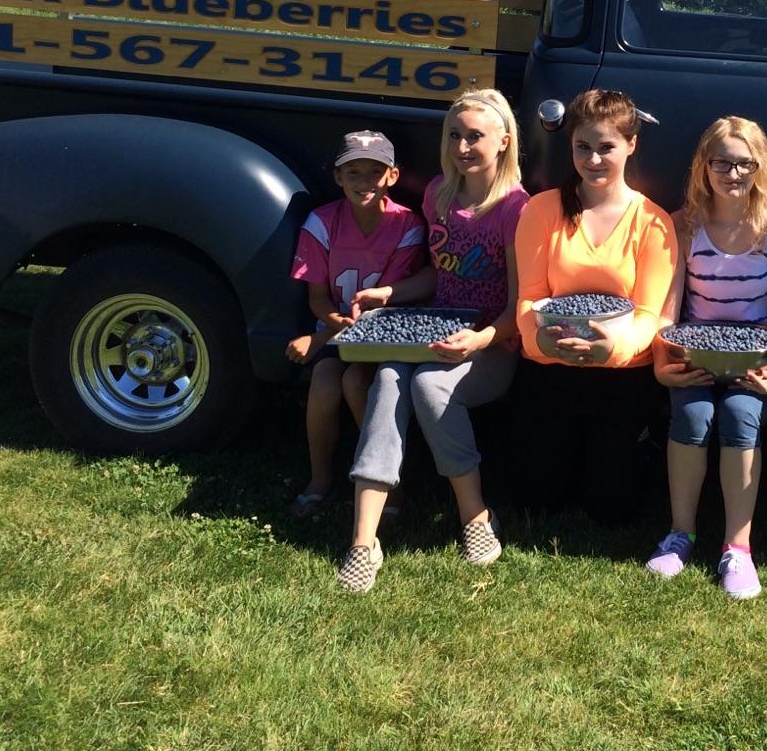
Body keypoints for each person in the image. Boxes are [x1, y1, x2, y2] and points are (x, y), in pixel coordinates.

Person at [335, 91, 529, 593]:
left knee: (429, 388)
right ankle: (364, 539)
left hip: (491, 345)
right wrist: (390, 293)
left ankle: (475, 516)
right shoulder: (439, 194)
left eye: (476, 136)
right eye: (455, 135)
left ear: (504, 142)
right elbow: (437, 278)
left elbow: (520, 305)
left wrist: (482, 337)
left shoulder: (515, 208)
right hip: (433, 328)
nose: (463, 146)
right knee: (390, 376)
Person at [647, 117, 767, 599]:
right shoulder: (684, 224)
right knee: (692, 415)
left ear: (760, 167)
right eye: (722, 163)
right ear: (703, 166)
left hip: (758, 360)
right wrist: (663, 363)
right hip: (697, 356)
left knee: (737, 413)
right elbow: (667, 309)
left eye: (744, 164)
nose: (732, 174)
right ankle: (681, 534)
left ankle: (738, 547)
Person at [511, 89, 678, 526]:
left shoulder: (653, 222)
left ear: (631, 145)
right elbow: (529, 296)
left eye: (607, 147)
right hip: (549, 365)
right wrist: (540, 340)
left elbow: (648, 312)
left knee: (612, 508)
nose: (594, 159)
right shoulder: (541, 210)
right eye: (583, 147)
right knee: (535, 502)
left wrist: (613, 349)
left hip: (622, 374)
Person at [284, 130, 426, 520]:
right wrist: (328, 331)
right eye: (354, 173)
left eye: (374, 172)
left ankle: (386, 484)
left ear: (392, 176)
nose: (364, 182)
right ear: (338, 176)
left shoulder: (407, 224)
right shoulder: (321, 222)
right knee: (325, 383)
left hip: (381, 333)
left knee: (356, 383)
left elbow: (389, 299)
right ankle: (320, 478)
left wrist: (316, 341)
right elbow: (318, 298)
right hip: (338, 329)